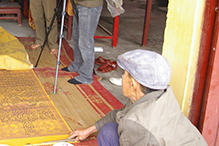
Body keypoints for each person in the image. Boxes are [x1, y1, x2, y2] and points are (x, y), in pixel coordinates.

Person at [68, 50, 208, 145]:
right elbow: (119, 115)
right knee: (108, 130)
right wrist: (89, 130)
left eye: (124, 75)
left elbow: (131, 122)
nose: (122, 78)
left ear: (133, 84)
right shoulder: (160, 95)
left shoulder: (137, 124)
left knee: (109, 133)